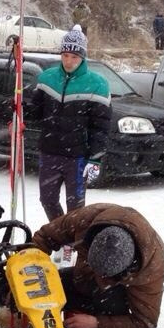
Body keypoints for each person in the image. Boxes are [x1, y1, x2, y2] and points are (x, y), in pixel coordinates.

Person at [32, 203, 164, 328]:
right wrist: (31, 270)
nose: (100, 278)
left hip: (114, 297)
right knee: (48, 282)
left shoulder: (151, 268)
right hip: (81, 279)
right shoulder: (85, 219)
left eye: (105, 275)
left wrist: (97, 323)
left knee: (113, 300)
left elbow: (145, 322)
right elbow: (44, 237)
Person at [28, 25, 111, 223]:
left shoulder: (97, 84)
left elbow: (101, 127)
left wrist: (96, 158)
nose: (68, 61)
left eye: (74, 56)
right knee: (47, 199)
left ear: (82, 57)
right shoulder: (47, 78)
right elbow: (35, 111)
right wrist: (19, 107)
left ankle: (72, 243)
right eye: (65, 55)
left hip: (77, 156)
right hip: (49, 152)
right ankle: (60, 233)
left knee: (75, 206)